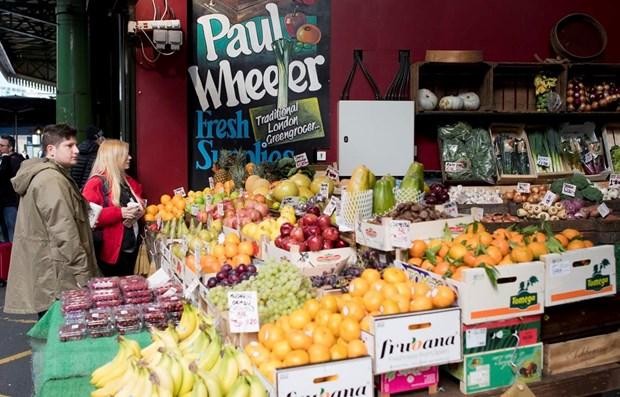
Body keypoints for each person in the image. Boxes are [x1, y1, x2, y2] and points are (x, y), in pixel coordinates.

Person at [4, 124, 98, 317]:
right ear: (51, 150)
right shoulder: (51, 180)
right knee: (59, 335)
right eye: (69, 146)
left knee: (52, 333)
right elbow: (65, 232)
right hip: (58, 277)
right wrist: (83, 275)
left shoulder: (51, 176)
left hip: (50, 274)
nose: (77, 150)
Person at [82, 139, 145, 277]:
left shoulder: (127, 182)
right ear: (114, 158)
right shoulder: (96, 183)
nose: (130, 158)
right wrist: (120, 212)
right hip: (110, 255)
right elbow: (88, 217)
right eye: (125, 154)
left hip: (129, 250)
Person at [0, 135, 25, 242]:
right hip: (4, 202)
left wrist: (5, 157)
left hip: (10, 202)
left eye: (1, 145)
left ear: (10, 148)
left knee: (12, 231)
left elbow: (3, 176)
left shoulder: (15, 160)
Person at [71, 125, 105, 190]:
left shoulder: (78, 149)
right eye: (101, 136)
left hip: (76, 189)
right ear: (97, 137)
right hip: (88, 189)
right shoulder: (97, 152)